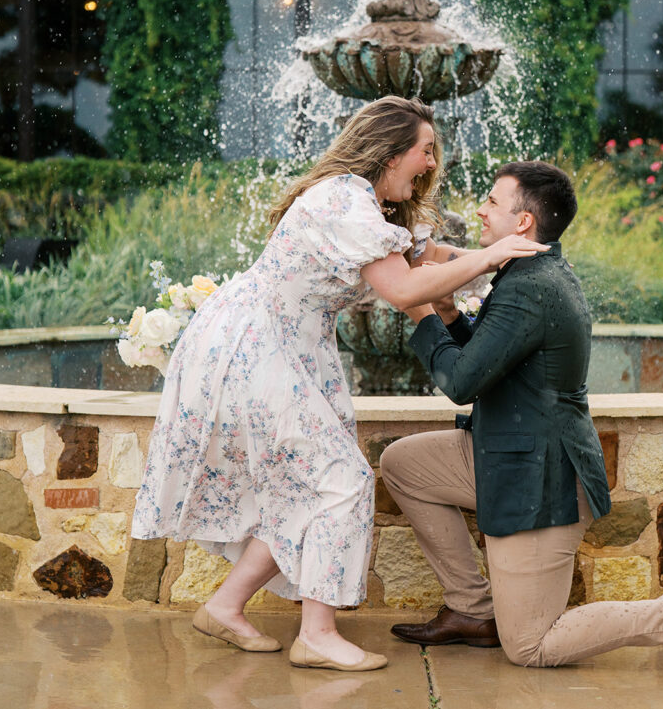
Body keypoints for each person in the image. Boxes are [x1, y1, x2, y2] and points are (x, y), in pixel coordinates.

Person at [130, 97, 548, 672]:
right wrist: (493, 254)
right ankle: (317, 635)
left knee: (304, 489)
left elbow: (430, 256)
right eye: (425, 151)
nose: (430, 165)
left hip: (287, 347)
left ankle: (225, 607)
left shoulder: (368, 206)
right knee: (342, 480)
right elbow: (405, 290)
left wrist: (499, 259)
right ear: (391, 148)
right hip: (258, 348)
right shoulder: (341, 201)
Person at [381, 160, 663, 668]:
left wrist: (418, 308)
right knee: (403, 464)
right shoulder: (530, 271)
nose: (481, 211)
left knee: (530, 646)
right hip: (504, 451)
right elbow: (490, 361)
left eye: (492, 202)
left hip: (540, 477)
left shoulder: (532, 287)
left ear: (523, 222)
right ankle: (472, 609)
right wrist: (446, 314)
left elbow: (460, 384)